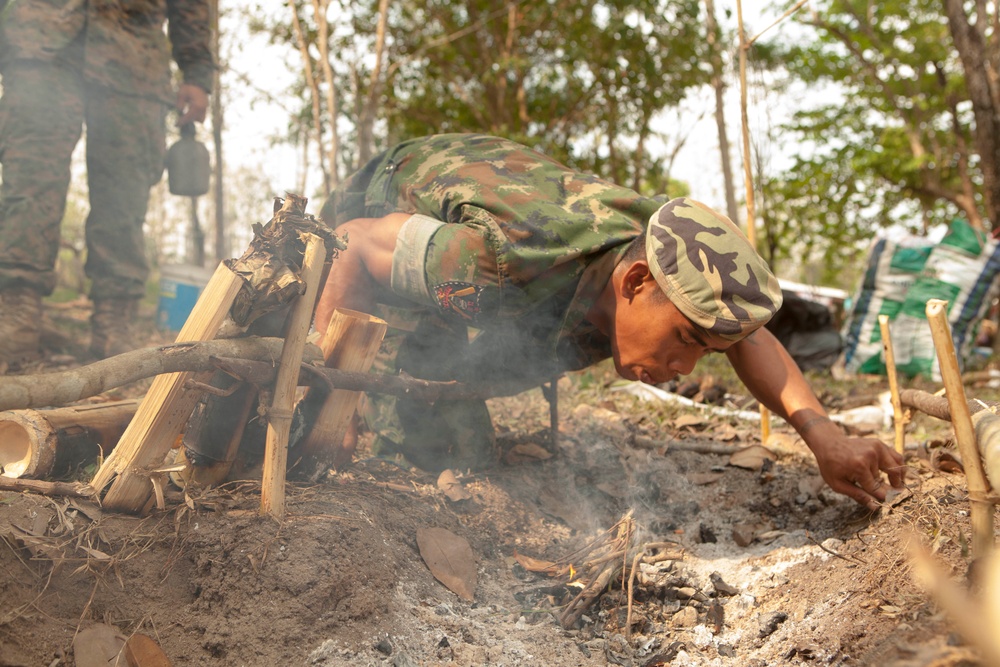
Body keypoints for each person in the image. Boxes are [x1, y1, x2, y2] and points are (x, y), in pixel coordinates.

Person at [314, 133, 905, 511]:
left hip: (523, 277)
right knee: (406, 463)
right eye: (684, 341)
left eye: (701, 351)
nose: (682, 369)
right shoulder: (494, 257)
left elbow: (747, 338)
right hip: (381, 212)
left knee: (470, 416)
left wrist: (824, 435)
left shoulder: (670, 272)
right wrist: (330, 396)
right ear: (635, 281)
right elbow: (349, 245)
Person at [0, 0, 214, 364]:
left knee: (124, 196)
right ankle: (16, 319)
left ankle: (115, 327)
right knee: (30, 181)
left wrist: (196, 70)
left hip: (132, 53)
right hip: (39, 43)